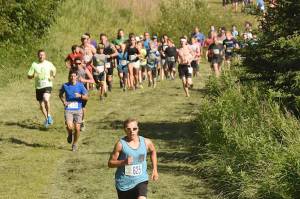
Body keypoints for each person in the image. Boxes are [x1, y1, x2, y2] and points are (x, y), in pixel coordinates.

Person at [108, 118, 158, 199]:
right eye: (129, 129)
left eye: (134, 129)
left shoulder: (146, 142)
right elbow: (110, 163)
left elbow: (153, 151)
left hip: (141, 179)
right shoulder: (120, 144)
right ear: (125, 130)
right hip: (124, 183)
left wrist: (155, 169)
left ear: (138, 129)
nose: (132, 131)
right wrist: (123, 162)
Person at [59, 71, 88, 152]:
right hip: (68, 109)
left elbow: (86, 97)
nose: (72, 78)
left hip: (78, 109)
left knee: (78, 129)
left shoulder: (81, 86)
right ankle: (69, 134)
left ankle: (74, 144)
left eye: (74, 76)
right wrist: (64, 101)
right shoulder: (65, 85)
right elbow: (60, 95)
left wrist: (80, 96)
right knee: (69, 127)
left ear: (76, 77)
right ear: (69, 77)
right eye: (71, 76)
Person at [27, 49, 56, 128]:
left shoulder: (49, 63)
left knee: (46, 99)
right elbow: (28, 76)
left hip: (47, 85)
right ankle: (47, 119)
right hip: (38, 87)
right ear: (38, 56)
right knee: (41, 105)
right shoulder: (34, 64)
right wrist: (33, 76)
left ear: (45, 56)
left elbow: (54, 70)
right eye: (40, 55)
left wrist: (52, 76)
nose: (41, 56)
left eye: (42, 55)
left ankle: (49, 115)